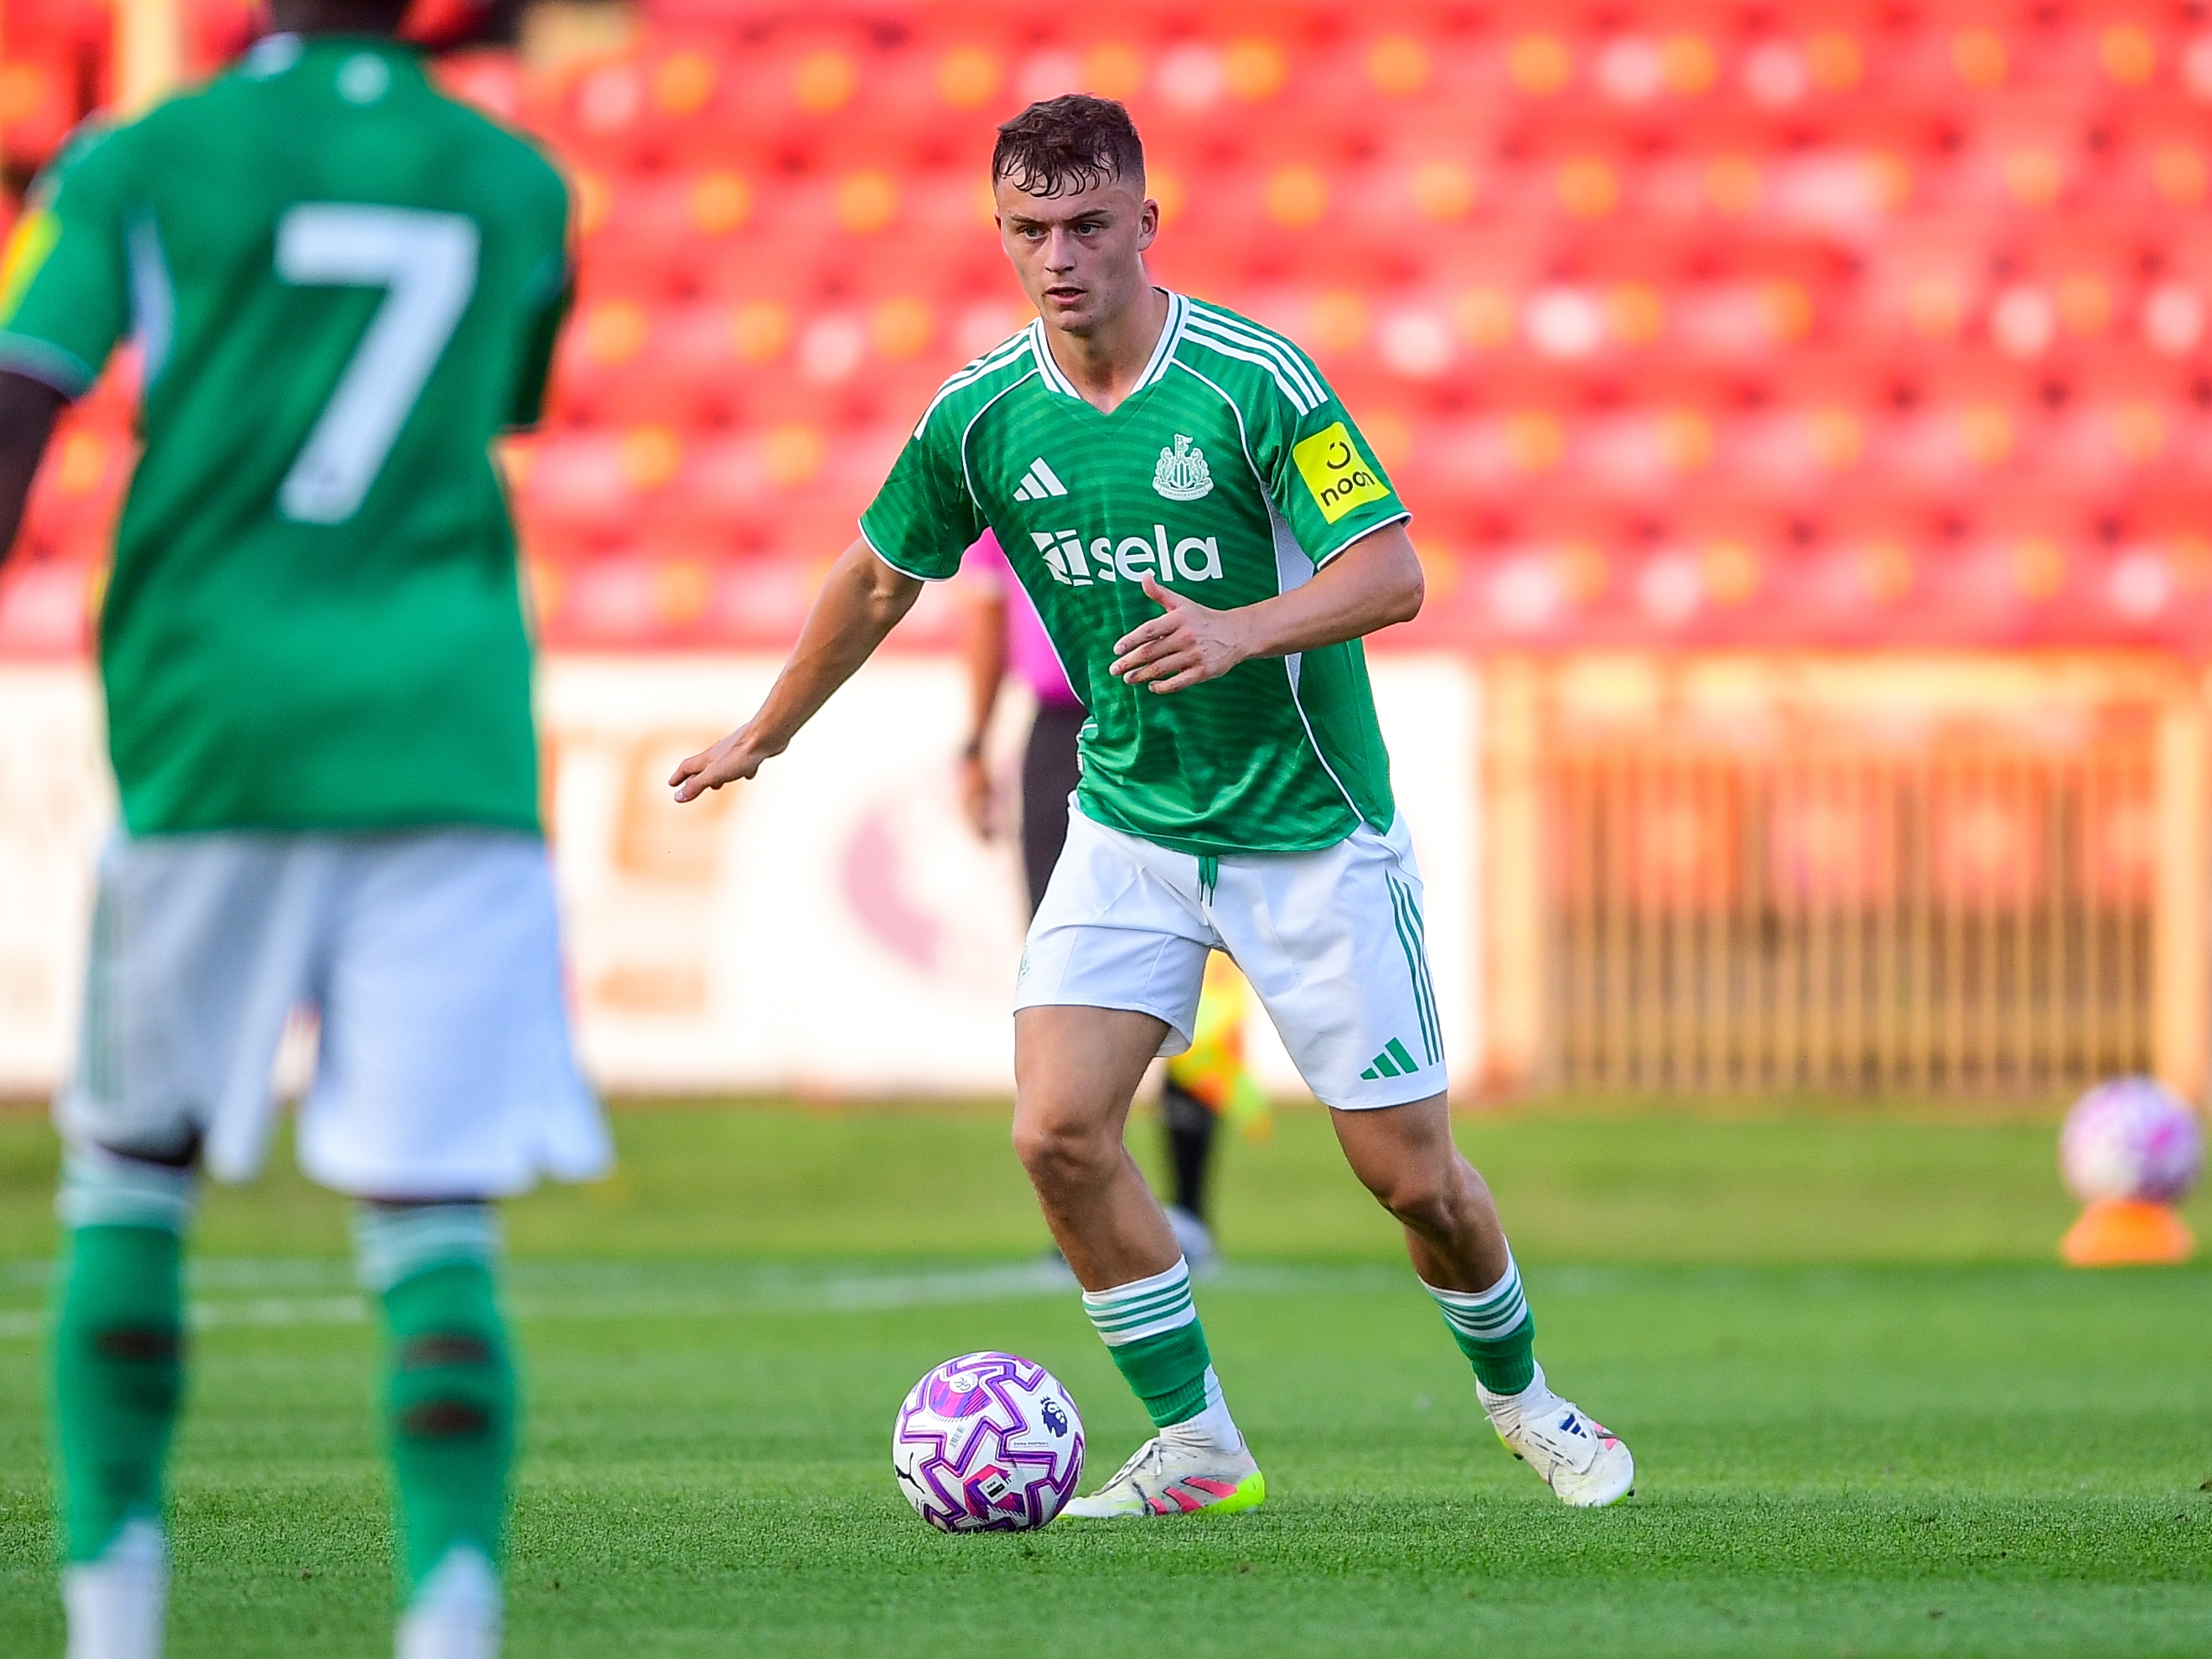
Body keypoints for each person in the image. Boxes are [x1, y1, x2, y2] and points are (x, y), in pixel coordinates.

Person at [671, 94, 1633, 1519]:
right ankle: (1198, 1445)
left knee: (1411, 1178)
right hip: (1131, 820)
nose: (1057, 257)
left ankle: (1522, 1396)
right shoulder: (981, 412)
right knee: (1054, 1130)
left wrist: (1241, 627)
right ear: (997, 231)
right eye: (1027, 229)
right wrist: (769, 726)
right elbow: (880, 574)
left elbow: (1390, 573)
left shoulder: (1254, 380)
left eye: (1084, 225)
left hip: (1308, 828)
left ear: (1142, 224)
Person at [0, 5, 609, 1655]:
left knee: (132, 1179)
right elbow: (508, 397)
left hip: (217, 717)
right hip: (450, 726)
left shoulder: (135, 160)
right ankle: (450, 1617)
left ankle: (114, 1621)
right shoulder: (515, 182)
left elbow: (17, 394)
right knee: (431, 1215)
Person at [956, 530, 1268, 1268]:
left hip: (1184, 718)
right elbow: (988, 609)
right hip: (1061, 731)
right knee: (1073, 976)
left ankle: (1190, 1207)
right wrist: (973, 741)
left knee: (1208, 972)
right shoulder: (1011, 459)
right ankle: (1099, 1206)